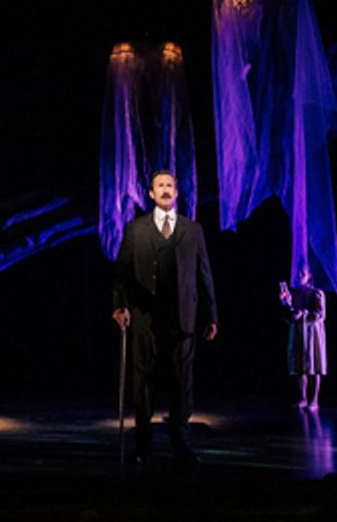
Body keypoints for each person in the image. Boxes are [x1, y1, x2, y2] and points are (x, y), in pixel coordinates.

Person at [112, 170, 218, 471]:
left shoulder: (192, 229)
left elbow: (204, 274)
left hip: (183, 318)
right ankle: (143, 446)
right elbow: (121, 273)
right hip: (145, 318)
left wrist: (211, 315)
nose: (166, 190)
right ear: (151, 193)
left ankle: (181, 445)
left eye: (170, 185)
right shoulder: (136, 230)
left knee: (181, 384)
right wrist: (120, 306)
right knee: (142, 382)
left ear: (177, 192)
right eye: (160, 185)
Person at [279, 270, 326, 409]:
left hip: (312, 332)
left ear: (309, 275)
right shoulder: (294, 293)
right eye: (298, 273)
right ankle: (303, 398)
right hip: (298, 331)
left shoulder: (317, 292)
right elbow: (289, 313)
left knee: (314, 364)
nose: (299, 276)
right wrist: (286, 305)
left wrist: (304, 314)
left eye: (302, 273)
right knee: (299, 365)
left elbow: (320, 314)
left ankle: (314, 400)